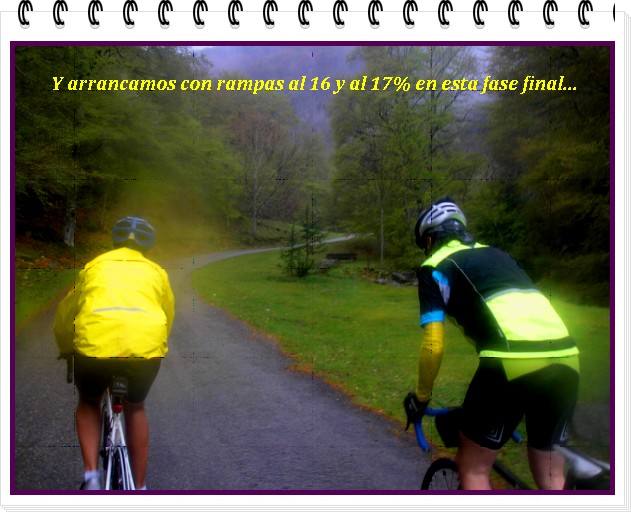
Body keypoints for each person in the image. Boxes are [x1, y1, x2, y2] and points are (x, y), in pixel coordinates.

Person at [403, 197, 580, 490]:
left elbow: (434, 344)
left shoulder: (433, 266)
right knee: (551, 477)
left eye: (425, 245)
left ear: (430, 240)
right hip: (566, 357)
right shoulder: (500, 255)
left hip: (511, 362)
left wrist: (421, 398)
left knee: (473, 467)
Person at [54, 216, 175, 491]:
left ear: (114, 240)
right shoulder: (157, 272)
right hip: (144, 351)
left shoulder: (94, 266)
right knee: (135, 408)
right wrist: (157, 344)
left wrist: (65, 347)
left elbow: (66, 313)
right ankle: (140, 488)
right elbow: (167, 315)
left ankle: (91, 478)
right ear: (149, 245)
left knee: (89, 401)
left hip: (94, 350)